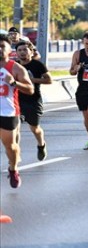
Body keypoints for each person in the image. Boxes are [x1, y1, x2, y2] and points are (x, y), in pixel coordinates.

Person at [0, 34, 34, 188]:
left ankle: (13, 168)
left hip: (7, 112)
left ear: (9, 50)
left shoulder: (15, 68)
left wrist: (14, 82)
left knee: (11, 147)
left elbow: (30, 89)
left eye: (2, 46)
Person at [16, 41, 52, 161]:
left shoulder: (37, 65)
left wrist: (31, 80)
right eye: (19, 50)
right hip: (17, 100)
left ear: (31, 52)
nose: (22, 52)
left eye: (25, 50)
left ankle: (41, 145)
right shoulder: (14, 65)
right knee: (15, 127)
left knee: (34, 128)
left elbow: (49, 80)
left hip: (33, 100)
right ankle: (15, 152)